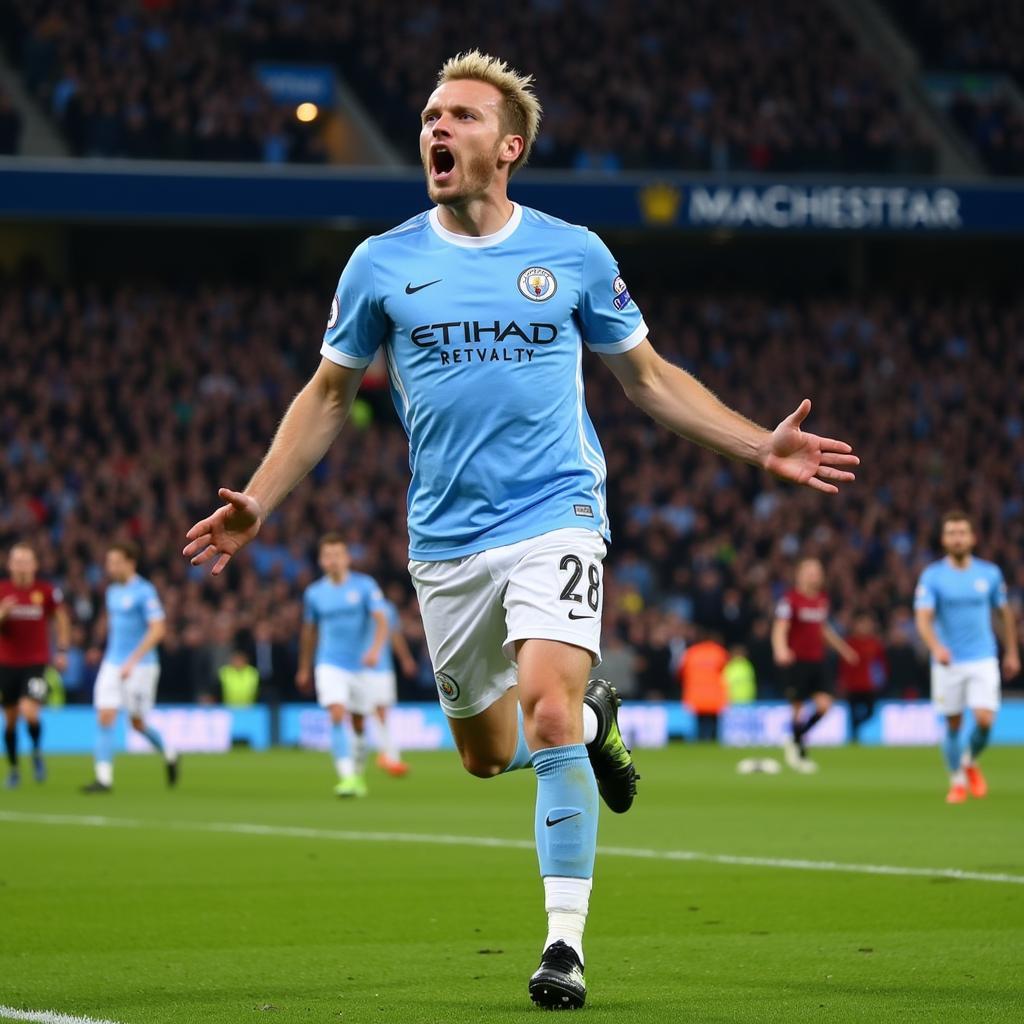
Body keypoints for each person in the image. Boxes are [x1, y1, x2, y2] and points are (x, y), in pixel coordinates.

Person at [183, 50, 857, 1009]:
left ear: (509, 147)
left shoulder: (574, 253)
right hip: (446, 542)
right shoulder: (381, 263)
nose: (434, 130)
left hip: (558, 514)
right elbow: (331, 395)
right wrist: (260, 498)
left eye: (457, 116)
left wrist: (758, 447)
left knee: (542, 710)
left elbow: (649, 379)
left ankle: (564, 947)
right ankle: (598, 724)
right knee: (488, 753)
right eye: (428, 116)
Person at [914, 511, 1019, 804]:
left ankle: (969, 760)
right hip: (948, 660)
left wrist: (1011, 650)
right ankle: (957, 780)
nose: (957, 538)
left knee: (985, 720)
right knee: (953, 724)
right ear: (943, 539)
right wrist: (936, 647)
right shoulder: (933, 576)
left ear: (973, 537)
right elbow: (923, 619)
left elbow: (1003, 613)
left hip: (983, 656)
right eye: (951, 533)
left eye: (962, 532)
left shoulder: (989, 573)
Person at [296, 535, 388, 797]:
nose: (333, 561)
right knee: (337, 714)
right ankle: (346, 777)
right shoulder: (314, 593)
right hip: (329, 663)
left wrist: (374, 651)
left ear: (347, 557)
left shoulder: (365, 586)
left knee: (359, 723)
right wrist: (304, 668)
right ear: (321, 560)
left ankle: (357, 775)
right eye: (328, 556)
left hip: (360, 666)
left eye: (337, 555)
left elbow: (382, 622)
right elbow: (309, 632)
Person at [82, 542, 178, 793]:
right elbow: (112, 624)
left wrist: (133, 661)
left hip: (141, 666)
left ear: (130, 562)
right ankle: (104, 779)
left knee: (137, 723)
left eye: (115, 562)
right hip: (112, 663)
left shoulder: (145, 592)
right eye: (108, 562)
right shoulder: (112, 591)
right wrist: (97, 646)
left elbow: (158, 629)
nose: (110, 567)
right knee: (105, 716)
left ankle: (169, 752)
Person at [772, 558, 859, 772]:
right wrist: (780, 649)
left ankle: (795, 738)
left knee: (825, 705)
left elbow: (823, 630)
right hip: (796, 661)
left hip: (817, 660)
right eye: (810, 571)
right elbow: (780, 627)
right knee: (798, 707)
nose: (814, 575)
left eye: (817, 572)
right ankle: (799, 751)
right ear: (799, 574)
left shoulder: (821, 599)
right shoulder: (790, 599)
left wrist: (843, 649)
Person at [0, 543, 70, 787]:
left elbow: (61, 619)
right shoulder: (2, 591)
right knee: (9, 720)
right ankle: (14, 768)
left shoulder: (46, 591)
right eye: (16, 561)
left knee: (30, 712)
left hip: (35, 662)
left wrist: (61, 649)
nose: (21, 565)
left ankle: (37, 752)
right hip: (6, 664)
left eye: (25, 560)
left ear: (34, 565)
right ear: (9, 565)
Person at [367, 593, 418, 777]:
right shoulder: (355, 607)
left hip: (382, 667)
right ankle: (389, 755)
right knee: (371, 711)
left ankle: (386, 754)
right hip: (358, 668)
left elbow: (394, 635)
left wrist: (405, 659)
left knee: (380, 711)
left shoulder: (386, 608)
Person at [838, 612, 888, 743]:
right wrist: (842, 683)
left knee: (871, 712)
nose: (865, 627)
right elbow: (843, 666)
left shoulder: (875, 643)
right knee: (852, 713)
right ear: (855, 625)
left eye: (868, 624)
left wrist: (881, 679)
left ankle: (856, 728)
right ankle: (854, 738)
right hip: (852, 685)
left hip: (869, 685)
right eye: (862, 624)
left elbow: (881, 664)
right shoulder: (849, 643)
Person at [679, 631, 729, 742]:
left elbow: (681, 672)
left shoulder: (691, 653)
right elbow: (726, 669)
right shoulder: (718, 652)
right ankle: (713, 740)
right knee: (714, 721)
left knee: (699, 721)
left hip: (696, 694)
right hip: (714, 694)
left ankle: (700, 740)